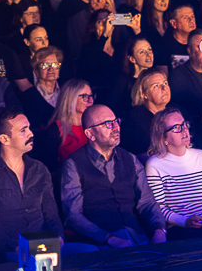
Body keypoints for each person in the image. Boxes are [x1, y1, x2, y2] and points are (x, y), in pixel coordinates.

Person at [0, 111, 62, 262]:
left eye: (29, 128)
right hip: (10, 251)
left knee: (88, 252)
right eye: (23, 130)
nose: (31, 133)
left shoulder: (40, 169)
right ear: (5, 139)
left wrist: (58, 237)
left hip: (44, 246)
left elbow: (51, 214)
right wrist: (16, 247)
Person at [61, 103, 158, 246]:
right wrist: (108, 238)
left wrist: (159, 230)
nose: (115, 127)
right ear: (90, 134)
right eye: (107, 124)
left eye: (116, 122)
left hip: (136, 236)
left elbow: (148, 202)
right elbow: (73, 215)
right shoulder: (73, 164)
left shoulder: (130, 159)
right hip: (100, 243)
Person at [143, 107, 202, 237]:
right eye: (177, 127)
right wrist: (184, 221)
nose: (184, 130)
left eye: (184, 124)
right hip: (179, 227)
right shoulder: (155, 164)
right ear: (163, 137)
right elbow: (159, 207)